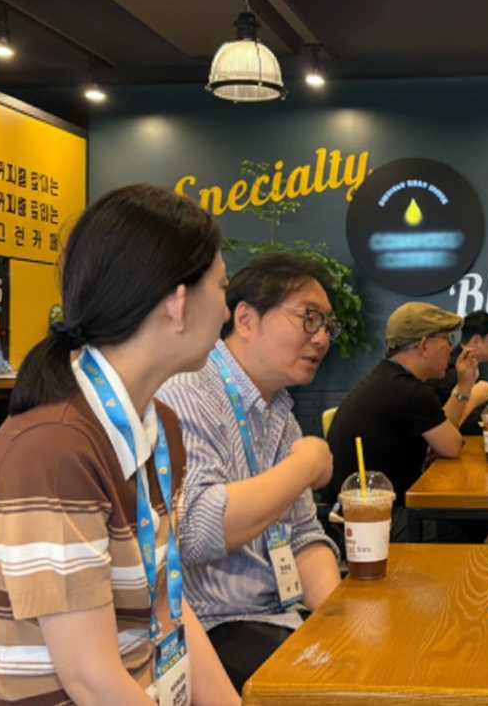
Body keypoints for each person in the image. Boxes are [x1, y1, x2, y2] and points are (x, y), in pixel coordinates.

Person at [0, 184, 238, 706]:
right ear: (177, 304)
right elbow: (91, 681)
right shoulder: (54, 451)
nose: (228, 311)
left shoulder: (159, 427)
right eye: (221, 286)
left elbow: (169, 602)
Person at [156, 253, 342, 693]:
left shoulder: (280, 413)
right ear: (244, 319)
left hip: (277, 615)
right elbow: (195, 531)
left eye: (326, 325)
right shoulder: (189, 391)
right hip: (209, 628)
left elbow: (303, 535)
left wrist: (340, 619)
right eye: (309, 318)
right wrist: (302, 467)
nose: (321, 338)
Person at [326, 302, 484, 542]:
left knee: (466, 517)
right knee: (472, 522)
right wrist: (465, 388)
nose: (450, 349)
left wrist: (463, 385)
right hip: (367, 521)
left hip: (345, 513)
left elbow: (442, 440)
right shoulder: (411, 391)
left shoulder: (388, 378)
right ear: (424, 345)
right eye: (447, 340)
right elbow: (452, 447)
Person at [426, 310, 488, 428]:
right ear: (476, 340)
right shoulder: (446, 372)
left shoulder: (472, 367)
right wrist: (475, 397)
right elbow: (438, 428)